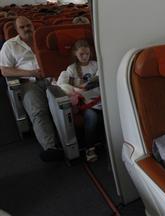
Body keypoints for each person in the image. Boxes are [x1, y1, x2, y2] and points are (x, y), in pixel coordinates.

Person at [0, 16, 63, 162]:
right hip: (29, 83)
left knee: (64, 102)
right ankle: (50, 147)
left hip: (52, 78)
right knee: (38, 111)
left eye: (28, 25)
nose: (27, 29)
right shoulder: (10, 45)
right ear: (16, 30)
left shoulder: (44, 39)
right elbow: (4, 71)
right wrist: (31, 73)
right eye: (22, 27)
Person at [57, 39, 102, 162]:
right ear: (75, 54)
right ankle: (90, 148)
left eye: (87, 54)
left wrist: (86, 85)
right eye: (81, 54)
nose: (85, 57)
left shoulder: (95, 64)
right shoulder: (71, 69)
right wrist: (80, 89)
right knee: (92, 117)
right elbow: (66, 86)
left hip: (99, 99)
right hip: (84, 104)